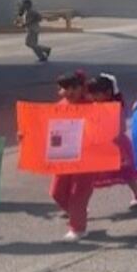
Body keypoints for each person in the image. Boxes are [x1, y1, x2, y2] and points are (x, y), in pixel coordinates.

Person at [86, 75, 137, 209]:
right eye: (91, 94)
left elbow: (122, 127)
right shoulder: (93, 106)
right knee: (90, 174)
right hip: (99, 143)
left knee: (126, 172)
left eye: (95, 94)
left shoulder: (115, 107)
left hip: (116, 144)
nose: (92, 97)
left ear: (107, 93)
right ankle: (80, 203)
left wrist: (110, 136)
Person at [50, 72, 98, 242]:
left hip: (86, 159)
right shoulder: (59, 106)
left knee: (78, 193)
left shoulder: (92, 106)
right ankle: (78, 214)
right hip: (64, 158)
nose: (69, 92)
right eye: (65, 88)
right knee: (56, 193)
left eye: (73, 88)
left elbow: (104, 130)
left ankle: (78, 228)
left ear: (81, 88)